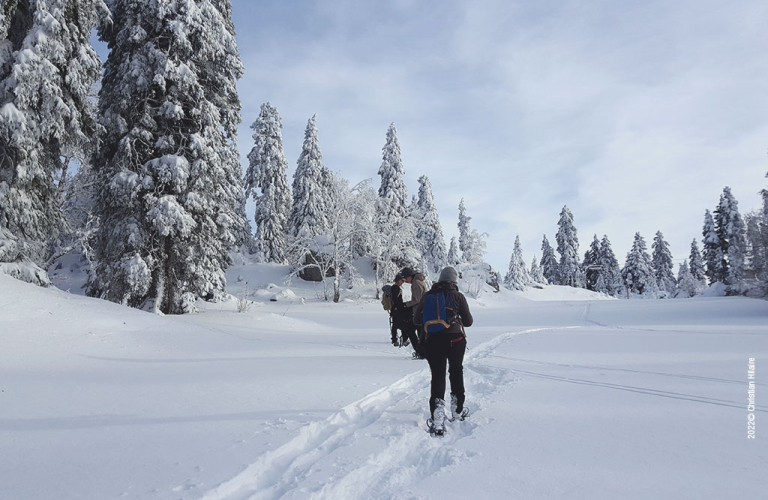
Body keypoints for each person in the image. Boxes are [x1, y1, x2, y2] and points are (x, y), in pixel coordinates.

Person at [413, 266, 472, 435]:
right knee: (456, 371)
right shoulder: (458, 296)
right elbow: (468, 322)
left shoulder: (428, 295)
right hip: (456, 340)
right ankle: (457, 410)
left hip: (433, 342)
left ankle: (437, 415)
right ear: (454, 281)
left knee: (438, 375)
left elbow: (417, 320)